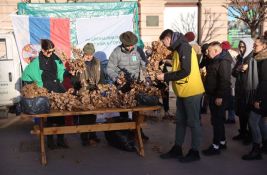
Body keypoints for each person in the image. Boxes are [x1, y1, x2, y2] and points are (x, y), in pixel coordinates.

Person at [156, 29, 204, 163]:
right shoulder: (178, 49)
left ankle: (195, 152)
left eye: (163, 41)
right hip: (183, 92)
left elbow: (186, 71)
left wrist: (165, 76)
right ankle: (177, 148)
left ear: (168, 38)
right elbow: (179, 67)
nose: (164, 45)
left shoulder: (184, 47)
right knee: (180, 122)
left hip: (192, 92)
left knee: (194, 123)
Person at [22, 39, 69, 149]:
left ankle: (61, 140)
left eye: (52, 51)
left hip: (57, 88)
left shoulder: (56, 59)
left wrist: (67, 73)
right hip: (45, 90)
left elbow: (61, 73)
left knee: (61, 116)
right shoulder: (36, 62)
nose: (51, 53)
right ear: (43, 50)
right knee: (49, 117)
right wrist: (32, 87)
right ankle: (50, 141)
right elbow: (26, 75)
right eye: (48, 51)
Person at [107, 31, 148, 140]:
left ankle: (138, 131)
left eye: (132, 45)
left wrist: (146, 78)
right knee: (124, 110)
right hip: (122, 85)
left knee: (138, 109)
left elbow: (144, 66)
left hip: (136, 84)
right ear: (123, 43)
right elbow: (110, 68)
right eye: (128, 45)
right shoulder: (116, 52)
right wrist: (116, 78)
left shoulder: (138, 50)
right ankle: (125, 132)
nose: (130, 47)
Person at [202, 41, 231, 156]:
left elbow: (224, 81)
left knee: (217, 121)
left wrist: (219, 96)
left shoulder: (223, 61)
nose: (207, 53)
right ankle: (222, 142)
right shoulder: (213, 59)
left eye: (209, 51)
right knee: (217, 120)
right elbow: (202, 64)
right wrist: (205, 55)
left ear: (216, 51)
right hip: (213, 94)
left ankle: (215, 146)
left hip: (219, 96)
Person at [72, 43, 104, 146]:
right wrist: (79, 84)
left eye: (91, 54)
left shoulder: (97, 62)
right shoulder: (78, 63)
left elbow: (101, 76)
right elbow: (74, 80)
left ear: (93, 53)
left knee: (93, 115)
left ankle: (93, 135)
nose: (89, 56)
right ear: (83, 53)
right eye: (87, 54)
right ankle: (84, 137)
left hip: (94, 92)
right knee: (84, 116)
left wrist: (100, 86)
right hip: (83, 92)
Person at [242, 36, 267, 160]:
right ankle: (265, 145)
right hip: (261, 96)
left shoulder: (264, 60)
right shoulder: (258, 58)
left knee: (253, 121)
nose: (253, 47)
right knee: (261, 121)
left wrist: (258, 100)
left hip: (262, 97)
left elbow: (264, 82)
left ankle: (256, 149)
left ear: (264, 46)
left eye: (256, 45)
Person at [232, 38, 256, 144]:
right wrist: (238, 69)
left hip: (249, 90)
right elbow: (233, 73)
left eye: (243, 46)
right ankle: (242, 132)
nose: (241, 49)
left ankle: (250, 136)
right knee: (242, 113)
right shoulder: (240, 58)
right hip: (240, 89)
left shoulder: (252, 58)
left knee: (248, 114)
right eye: (240, 46)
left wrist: (248, 67)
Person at [221, 41, 237, 124]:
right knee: (231, 100)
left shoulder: (226, 56)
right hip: (232, 82)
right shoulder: (233, 56)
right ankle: (231, 117)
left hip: (229, 82)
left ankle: (229, 118)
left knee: (228, 100)